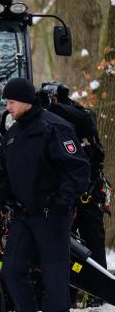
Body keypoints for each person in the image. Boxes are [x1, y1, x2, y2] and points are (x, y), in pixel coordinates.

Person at [0, 77, 90, 312]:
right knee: (12, 270)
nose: (8, 107)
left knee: (54, 275)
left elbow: (77, 166)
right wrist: (4, 195)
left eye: (12, 102)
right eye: (6, 102)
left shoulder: (54, 126)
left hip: (52, 213)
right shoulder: (14, 132)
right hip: (23, 214)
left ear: (25, 101)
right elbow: (8, 170)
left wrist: (64, 199)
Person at [40, 82, 109, 277]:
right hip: (61, 192)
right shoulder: (46, 122)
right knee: (61, 243)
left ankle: (99, 288)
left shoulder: (79, 115)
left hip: (87, 191)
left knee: (93, 239)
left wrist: (52, 106)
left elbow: (85, 122)